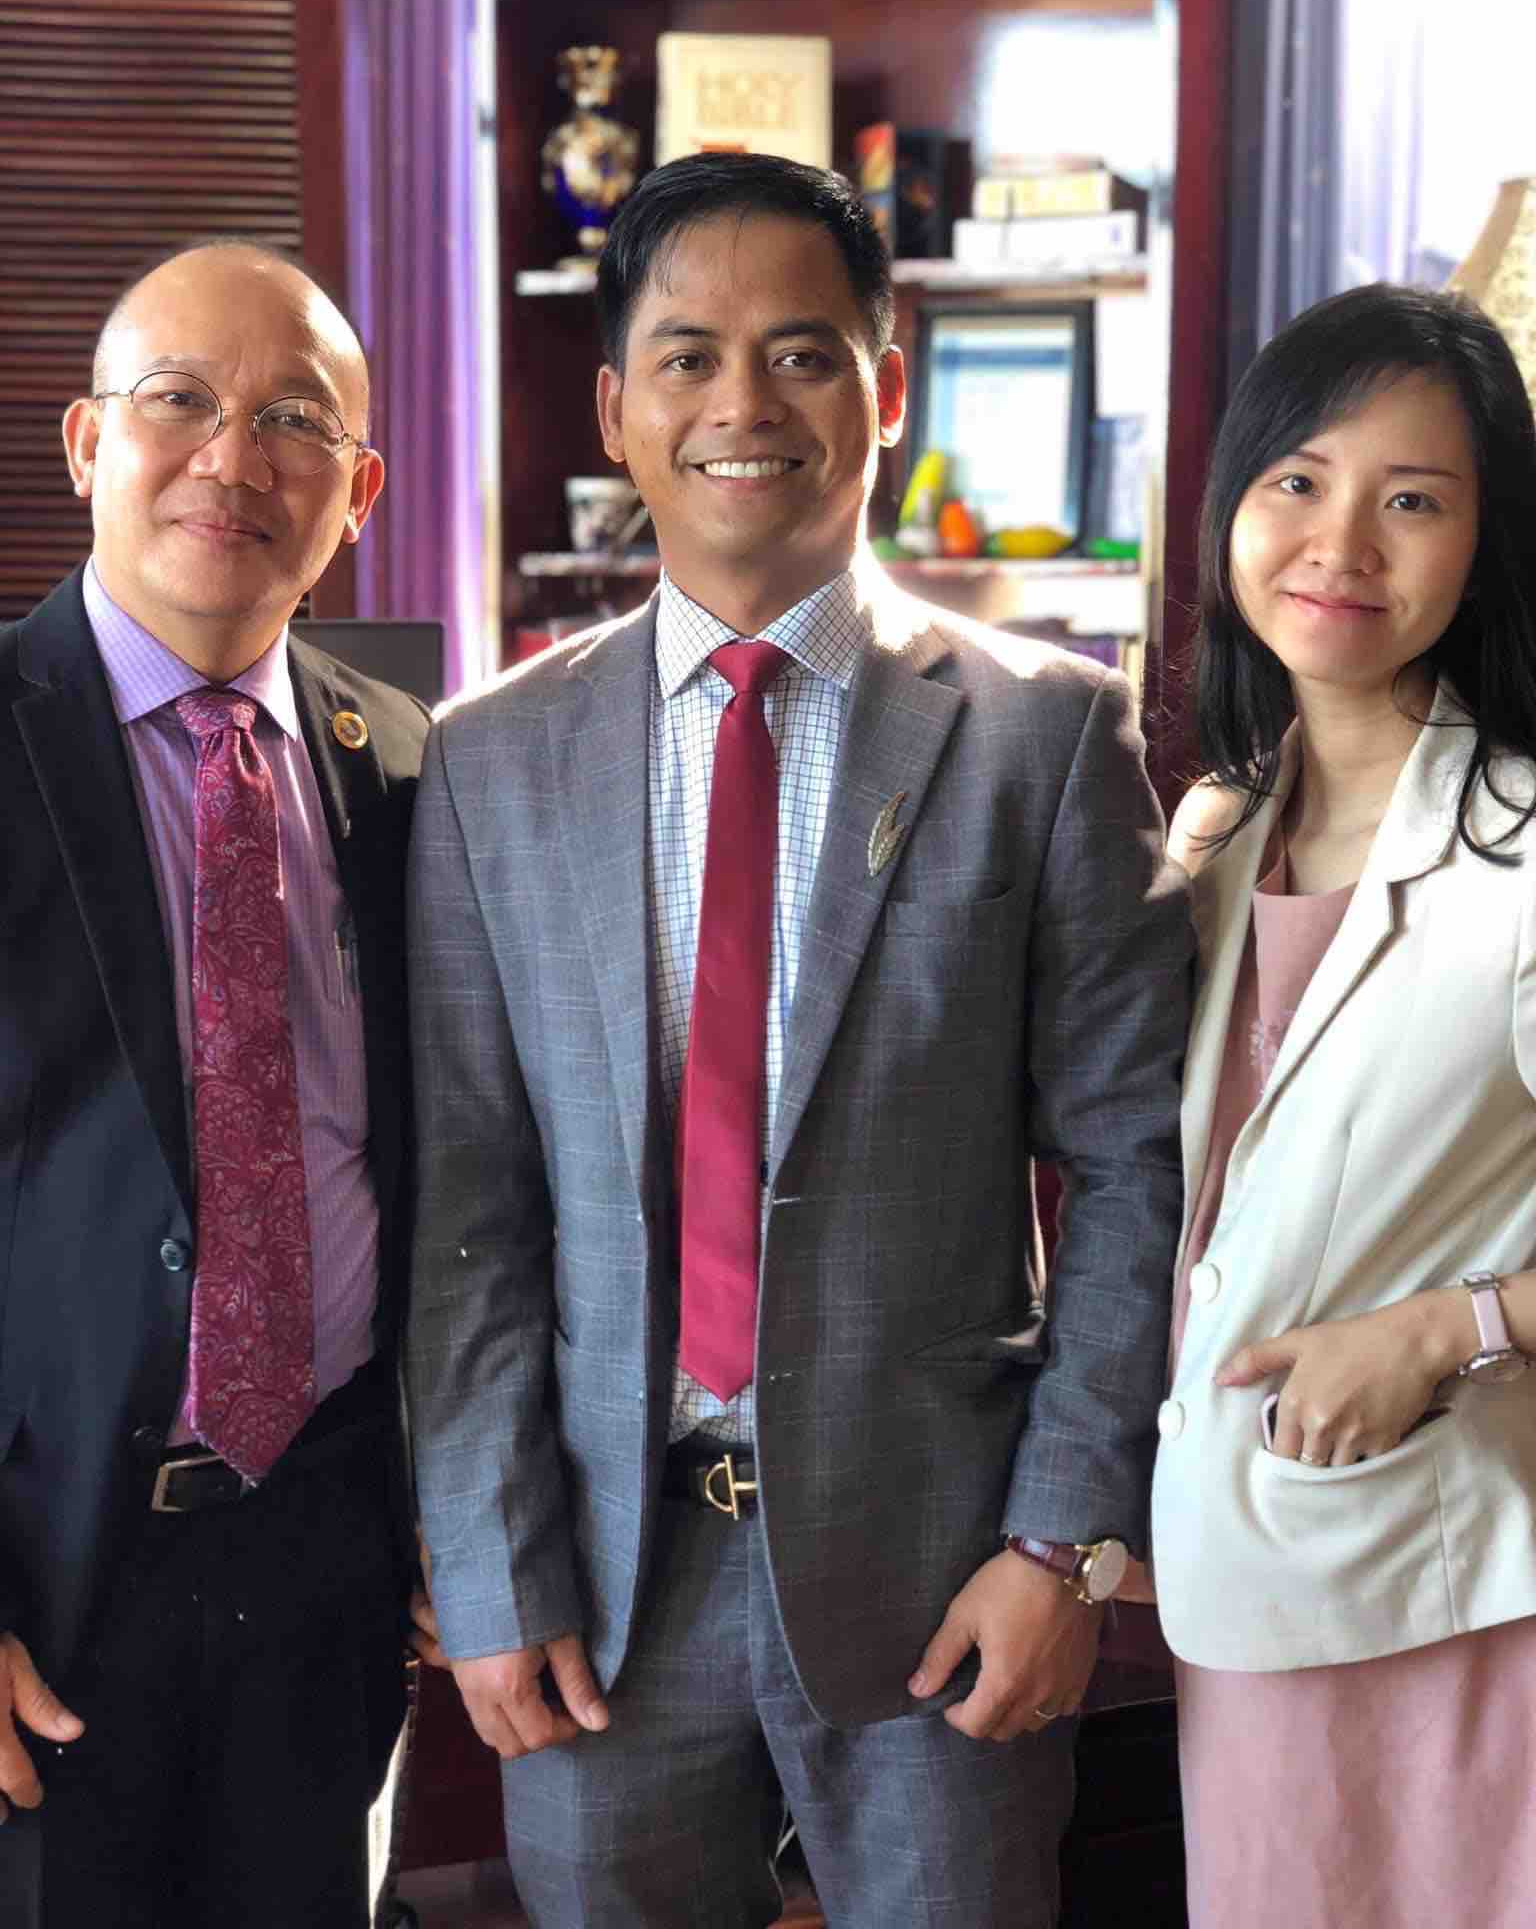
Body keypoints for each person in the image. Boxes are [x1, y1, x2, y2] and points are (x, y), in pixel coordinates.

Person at [406, 152, 1191, 1927]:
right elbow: (469, 1208)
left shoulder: (1047, 736)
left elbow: (1136, 1163)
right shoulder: (489, 760)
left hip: (945, 1573)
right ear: (615, 411)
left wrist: (1064, 1543)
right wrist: (490, 1552)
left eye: (803, 354)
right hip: (604, 1587)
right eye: (687, 356)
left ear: (887, 391)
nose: (741, 404)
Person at [0, 239, 429, 1926]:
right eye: (179, 399)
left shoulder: (408, 761)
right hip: (44, 1573)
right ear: (87, 442)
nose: (234, 460)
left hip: (321, 1554)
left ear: (358, 493)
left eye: (295, 421)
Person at [1151, 283, 1536, 1928]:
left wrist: (1448, 1328)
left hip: (1461, 1585)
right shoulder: (1215, 834)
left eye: (1414, 501)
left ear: (1486, 542)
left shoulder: (1522, 845)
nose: (1342, 545)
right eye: (1299, 480)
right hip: (1235, 1571)